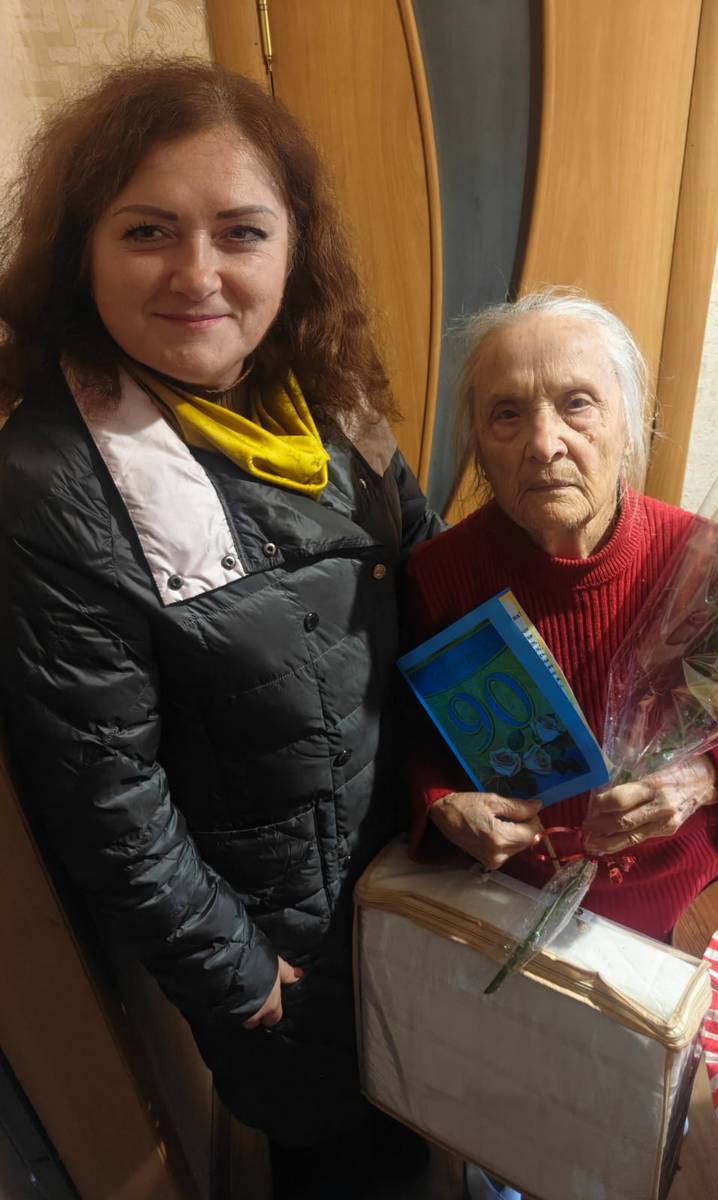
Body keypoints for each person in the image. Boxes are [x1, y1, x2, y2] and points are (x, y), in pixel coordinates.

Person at [0, 59, 440, 1198]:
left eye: (241, 232)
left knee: (438, 1108)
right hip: (286, 955)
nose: (198, 275)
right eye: (148, 231)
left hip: (417, 866)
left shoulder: (324, 391)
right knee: (345, 1163)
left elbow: (428, 572)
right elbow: (106, 792)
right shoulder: (54, 480)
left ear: (294, 249)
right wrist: (240, 974)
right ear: (83, 250)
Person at [406, 291, 718, 945]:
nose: (543, 444)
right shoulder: (441, 574)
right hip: (513, 897)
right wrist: (441, 803)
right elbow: (414, 734)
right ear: (476, 441)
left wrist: (702, 780)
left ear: (631, 425)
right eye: (507, 413)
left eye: (577, 404)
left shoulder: (703, 560)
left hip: (687, 895)